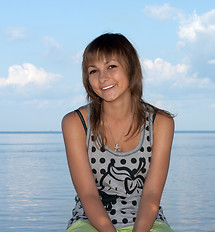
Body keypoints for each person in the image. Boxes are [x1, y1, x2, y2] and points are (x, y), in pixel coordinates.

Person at [62, 33, 175, 232]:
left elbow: (151, 195)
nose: (102, 77)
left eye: (111, 66)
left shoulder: (161, 122)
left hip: (148, 221)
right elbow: (88, 194)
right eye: (93, 70)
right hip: (90, 221)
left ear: (131, 68)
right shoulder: (75, 123)